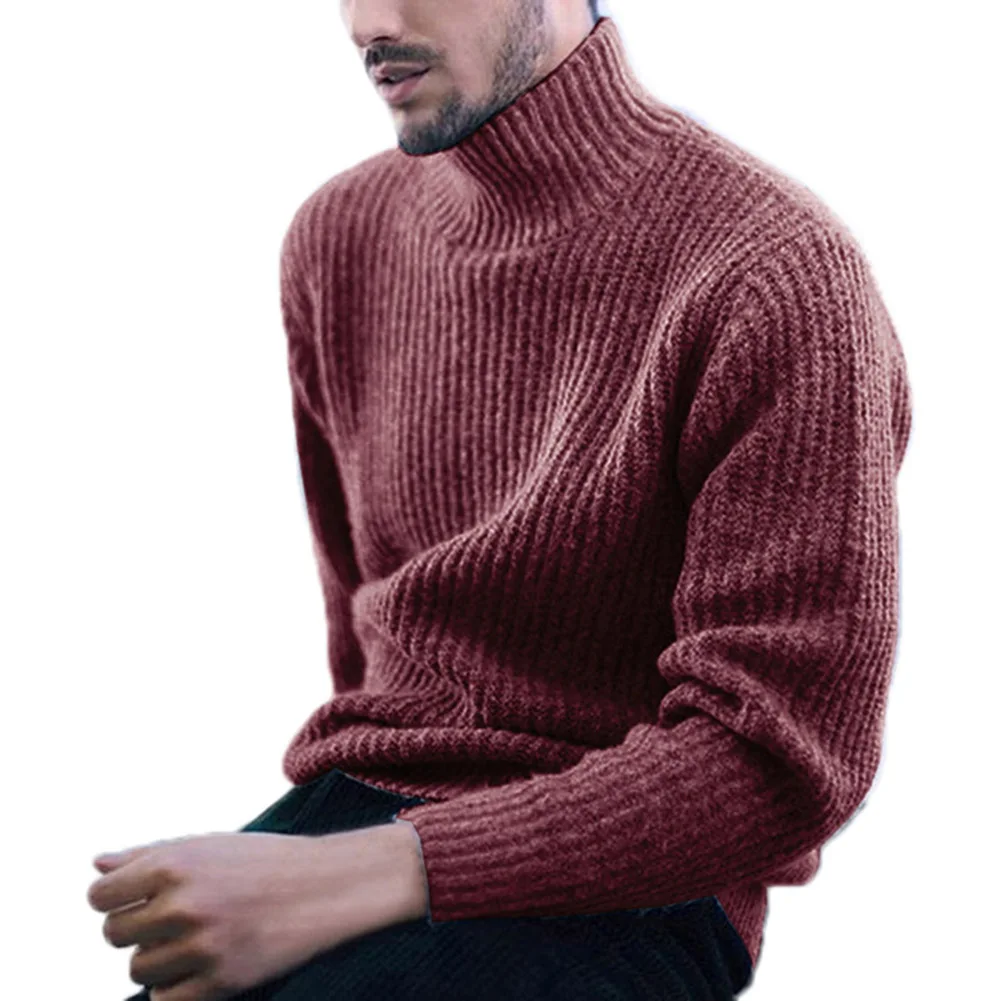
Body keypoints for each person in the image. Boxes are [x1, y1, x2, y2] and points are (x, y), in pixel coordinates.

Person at [94, 3, 913, 999]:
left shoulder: (772, 272)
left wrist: (359, 875)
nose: (368, 21)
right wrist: (328, 864)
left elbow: (780, 759)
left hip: (639, 887)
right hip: (357, 819)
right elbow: (368, 649)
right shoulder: (339, 237)